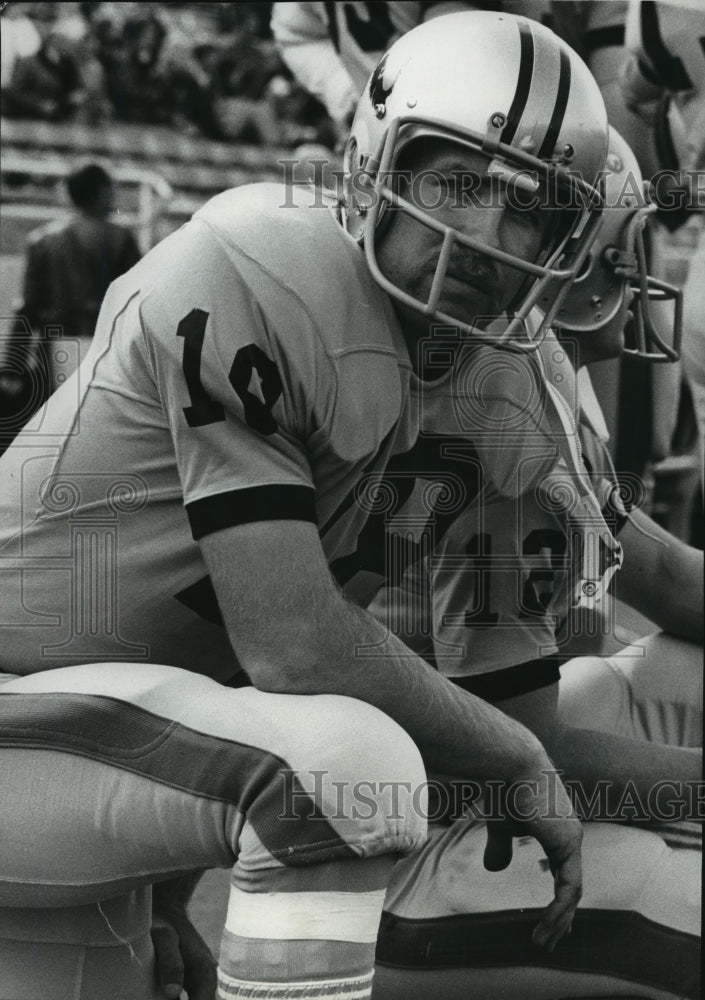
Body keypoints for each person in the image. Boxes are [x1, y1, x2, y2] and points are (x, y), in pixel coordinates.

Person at [0, 11, 612, 999]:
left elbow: (214, 654)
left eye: (532, 210)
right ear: (375, 164)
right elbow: (292, 642)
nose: (490, 240)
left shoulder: (460, 378)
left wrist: (166, 894)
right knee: (344, 764)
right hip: (20, 715)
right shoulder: (266, 265)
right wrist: (515, 756)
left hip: (75, 762)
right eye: (456, 183)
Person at [372, 126, 702, 999]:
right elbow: (524, 756)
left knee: (670, 662)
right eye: (627, 255)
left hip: (466, 781)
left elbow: (665, 576)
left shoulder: (538, 358)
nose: (643, 279)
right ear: (570, 256)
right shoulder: (495, 410)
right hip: (402, 844)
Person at [21, 162, 141, 397]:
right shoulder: (122, 239)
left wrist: (12, 366)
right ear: (102, 192)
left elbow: (28, 308)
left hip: (54, 347)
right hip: (106, 349)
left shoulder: (42, 240)